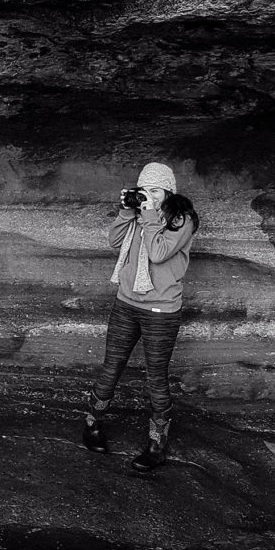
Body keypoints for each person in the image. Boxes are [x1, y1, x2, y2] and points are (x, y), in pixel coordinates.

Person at [82, 162, 199, 471]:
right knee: (112, 367)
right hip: (126, 303)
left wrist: (147, 216)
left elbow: (159, 252)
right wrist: (125, 211)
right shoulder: (138, 215)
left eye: (156, 190)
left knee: (156, 377)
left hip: (161, 310)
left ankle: (157, 443)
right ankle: (92, 425)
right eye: (144, 189)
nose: (149, 195)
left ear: (169, 192)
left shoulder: (180, 220)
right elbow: (114, 241)